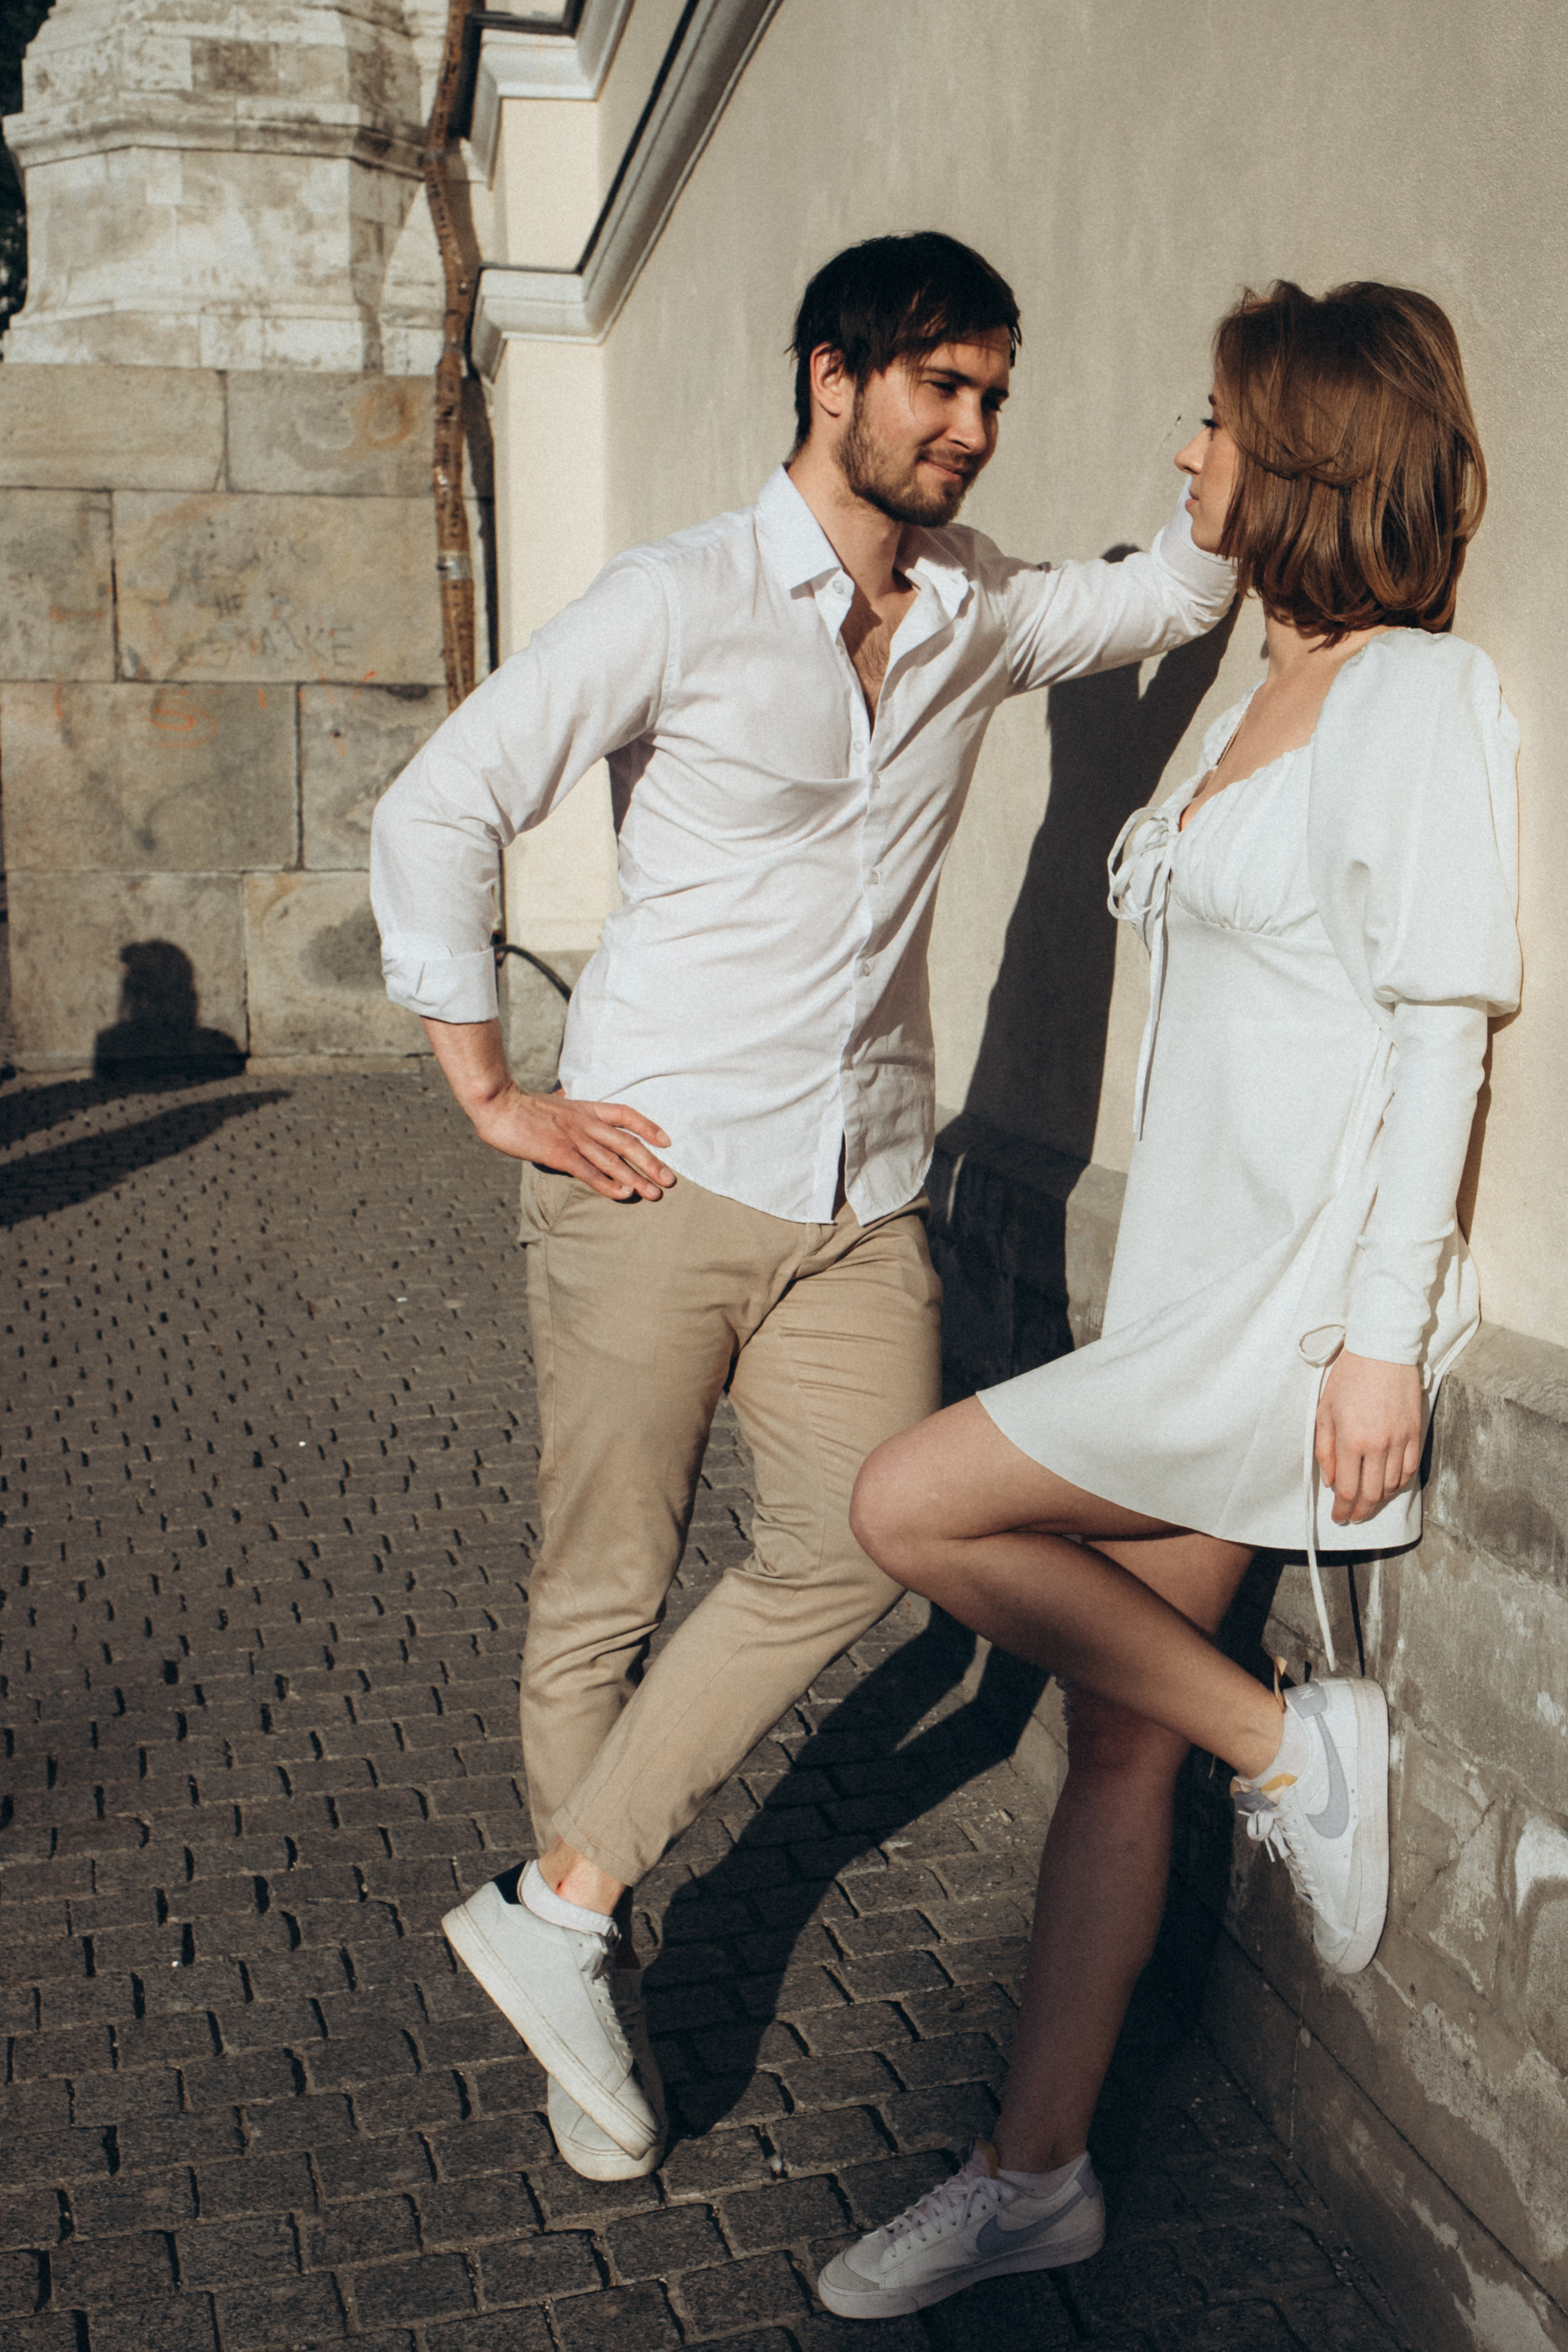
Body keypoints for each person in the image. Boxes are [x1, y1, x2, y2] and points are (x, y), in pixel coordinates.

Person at [370, 230, 1236, 2182]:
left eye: (995, 392)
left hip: (864, 1194)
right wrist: (493, 1090)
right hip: (650, 1177)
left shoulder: (975, 612)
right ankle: (585, 2007)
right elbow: (442, 802)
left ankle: (560, 1902)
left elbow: (1154, 601)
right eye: (942, 383)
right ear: (830, 378)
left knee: (866, 1541)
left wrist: (1230, 480)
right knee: (604, 1586)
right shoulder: (676, 600)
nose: (973, 426)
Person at [816, 277, 1521, 2321]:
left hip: (1287, 1318)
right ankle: (1033, 2173)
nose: (1181, 454)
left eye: (1209, 422)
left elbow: (1441, 1031)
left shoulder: (1412, 700)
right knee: (1119, 1747)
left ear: (1300, 455)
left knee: (904, 1503)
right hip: (1190, 1295)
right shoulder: (1255, 686)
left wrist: (1383, 1331)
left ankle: (1293, 1752)